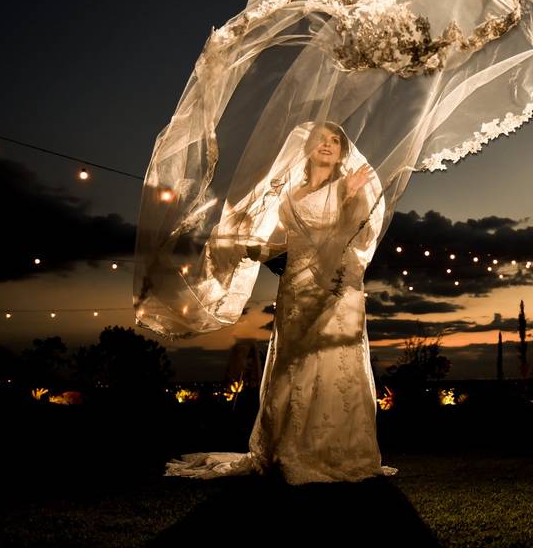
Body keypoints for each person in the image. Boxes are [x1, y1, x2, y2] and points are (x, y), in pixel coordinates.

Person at [164, 121, 398, 484]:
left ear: (341, 152)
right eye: (321, 139)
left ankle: (336, 451)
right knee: (292, 364)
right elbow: (290, 241)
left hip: (335, 287)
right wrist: (248, 247)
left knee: (332, 363)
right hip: (293, 288)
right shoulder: (290, 191)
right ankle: (285, 446)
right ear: (307, 147)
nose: (328, 145)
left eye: (335, 141)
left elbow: (356, 236)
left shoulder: (351, 185)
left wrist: (348, 197)